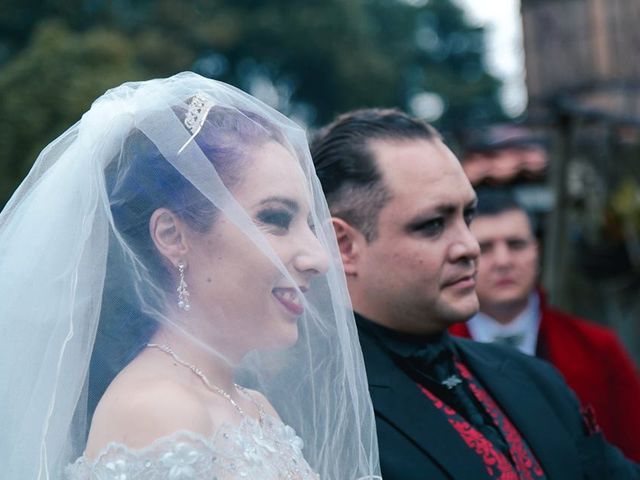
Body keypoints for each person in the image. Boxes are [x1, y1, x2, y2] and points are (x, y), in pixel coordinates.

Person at [0, 72, 381, 480]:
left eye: (310, 223)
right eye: (275, 218)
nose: (319, 257)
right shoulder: (156, 409)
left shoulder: (253, 406)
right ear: (172, 236)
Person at [311, 107, 640, 480]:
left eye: (466, 216)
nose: (469, 246)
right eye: (433, 225)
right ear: (344, 246)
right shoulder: (320, 417)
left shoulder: (533, 379)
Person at [449, 190, 640, 461]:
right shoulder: (431, 355)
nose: (503, 261)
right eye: (486, 247)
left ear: (536, 251)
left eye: (516, 244)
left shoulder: (598, 348)